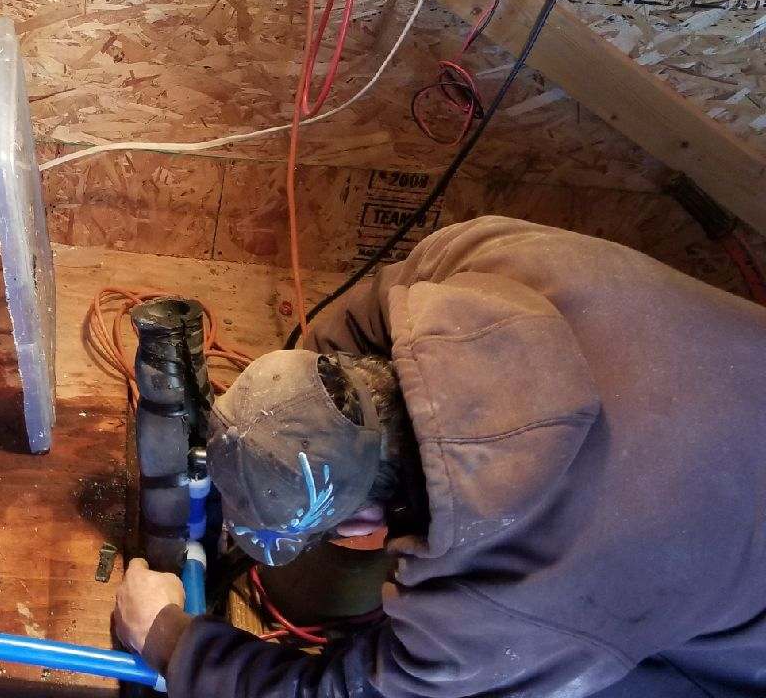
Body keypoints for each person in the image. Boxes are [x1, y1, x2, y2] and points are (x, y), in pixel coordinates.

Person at [112, 216, 766, 697]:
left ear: (363, 530)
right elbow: (354, 322)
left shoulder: (513, 609)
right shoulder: (482, 261)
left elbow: (353, 696)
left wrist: (171, 641)